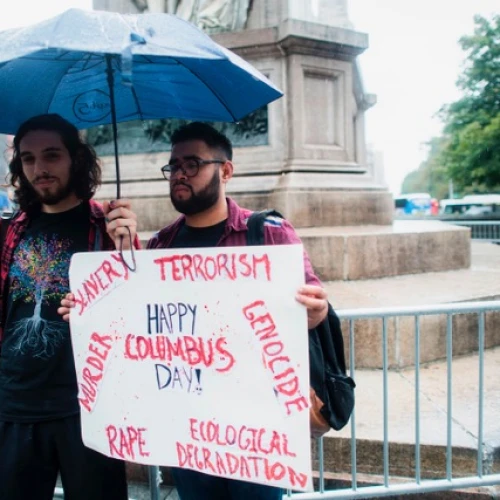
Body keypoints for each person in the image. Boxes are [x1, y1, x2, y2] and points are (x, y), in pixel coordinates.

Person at [149, 121, 328, 500]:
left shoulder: (269, 233)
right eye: (173, 166)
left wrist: (316, 310)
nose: (180, 174)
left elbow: (313, 302)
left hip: (256, 426)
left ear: (226, 170)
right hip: (188, 424)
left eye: (192, 163)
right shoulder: (160, 246)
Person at [0, 113, 138, 500]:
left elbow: (137, 316)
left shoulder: (108, 228)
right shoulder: (12, 229)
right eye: (28, 159)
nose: (39, 169)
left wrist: (127, 247)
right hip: (15, 405)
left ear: (76, 159)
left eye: (51, 155)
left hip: (88, 409)